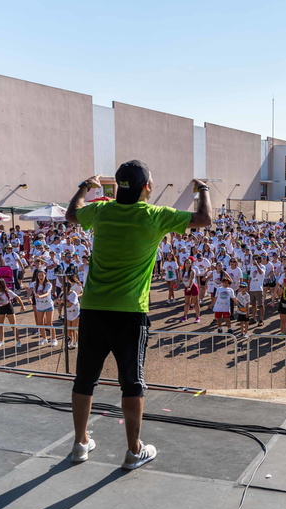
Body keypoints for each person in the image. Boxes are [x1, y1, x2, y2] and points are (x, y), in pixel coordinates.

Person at [65, 161, 211, 471]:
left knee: (85, 378)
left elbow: (71, 213)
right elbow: (204, 218)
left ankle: (79, 444)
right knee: (131, 383)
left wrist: (85, 185)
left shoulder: (101, 212)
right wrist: (203, 189)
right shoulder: (154, 216)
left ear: (117, 187)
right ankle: (133, 451)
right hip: (130, 311)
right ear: (147, 188)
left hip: (93, 308)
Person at [0, 277, 25, 347]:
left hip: (8, 307)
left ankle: (18, 341)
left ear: (1, 284)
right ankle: (1, 341)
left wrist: (22, 306)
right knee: (0, 325)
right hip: (0, 308)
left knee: (13, 325)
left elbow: (17, 297)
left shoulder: (7, 292)